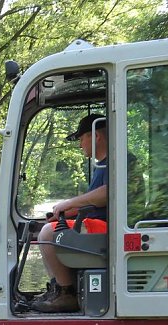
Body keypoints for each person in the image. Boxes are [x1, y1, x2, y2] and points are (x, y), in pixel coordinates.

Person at [32, 114, 108, 313]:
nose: (80, 145)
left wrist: (69, 203)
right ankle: (58, 288)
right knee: (48, 228)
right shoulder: (103, 165)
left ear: (96, 136)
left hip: (110, 228)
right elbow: (93, 202)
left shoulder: (116, 162)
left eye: (81, 139)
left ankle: (67, 293)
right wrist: (64, 213)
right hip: (101, 224)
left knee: (48, 233)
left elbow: (107, 194)